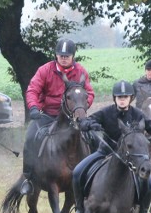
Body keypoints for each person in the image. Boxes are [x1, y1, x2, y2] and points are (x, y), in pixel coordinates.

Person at [69, 81, 151, 213]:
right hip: (105, 153)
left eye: (125, 97)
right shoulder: (106, 112)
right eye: (119, 97)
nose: (122, 99)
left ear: (131, 98)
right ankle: (80, 211)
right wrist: (90, 125)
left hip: (129, 160)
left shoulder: (137, 114)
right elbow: (86, 121)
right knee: (76, 172)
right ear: (114, 98)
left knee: (149, 183)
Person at [19, 37, 95, 195]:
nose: (64, 58)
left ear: (73, 56)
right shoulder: (45, 70)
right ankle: (28, 178)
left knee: (92, 136)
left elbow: (89, 93)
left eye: (67, 56)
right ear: (56, 55)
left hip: (72, 116)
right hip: (48, 114)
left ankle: (90, 176)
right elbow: (33, 90)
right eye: (61, 55)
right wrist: (33, 107)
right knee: (30, 137)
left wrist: (81, 109)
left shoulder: (80, 71)